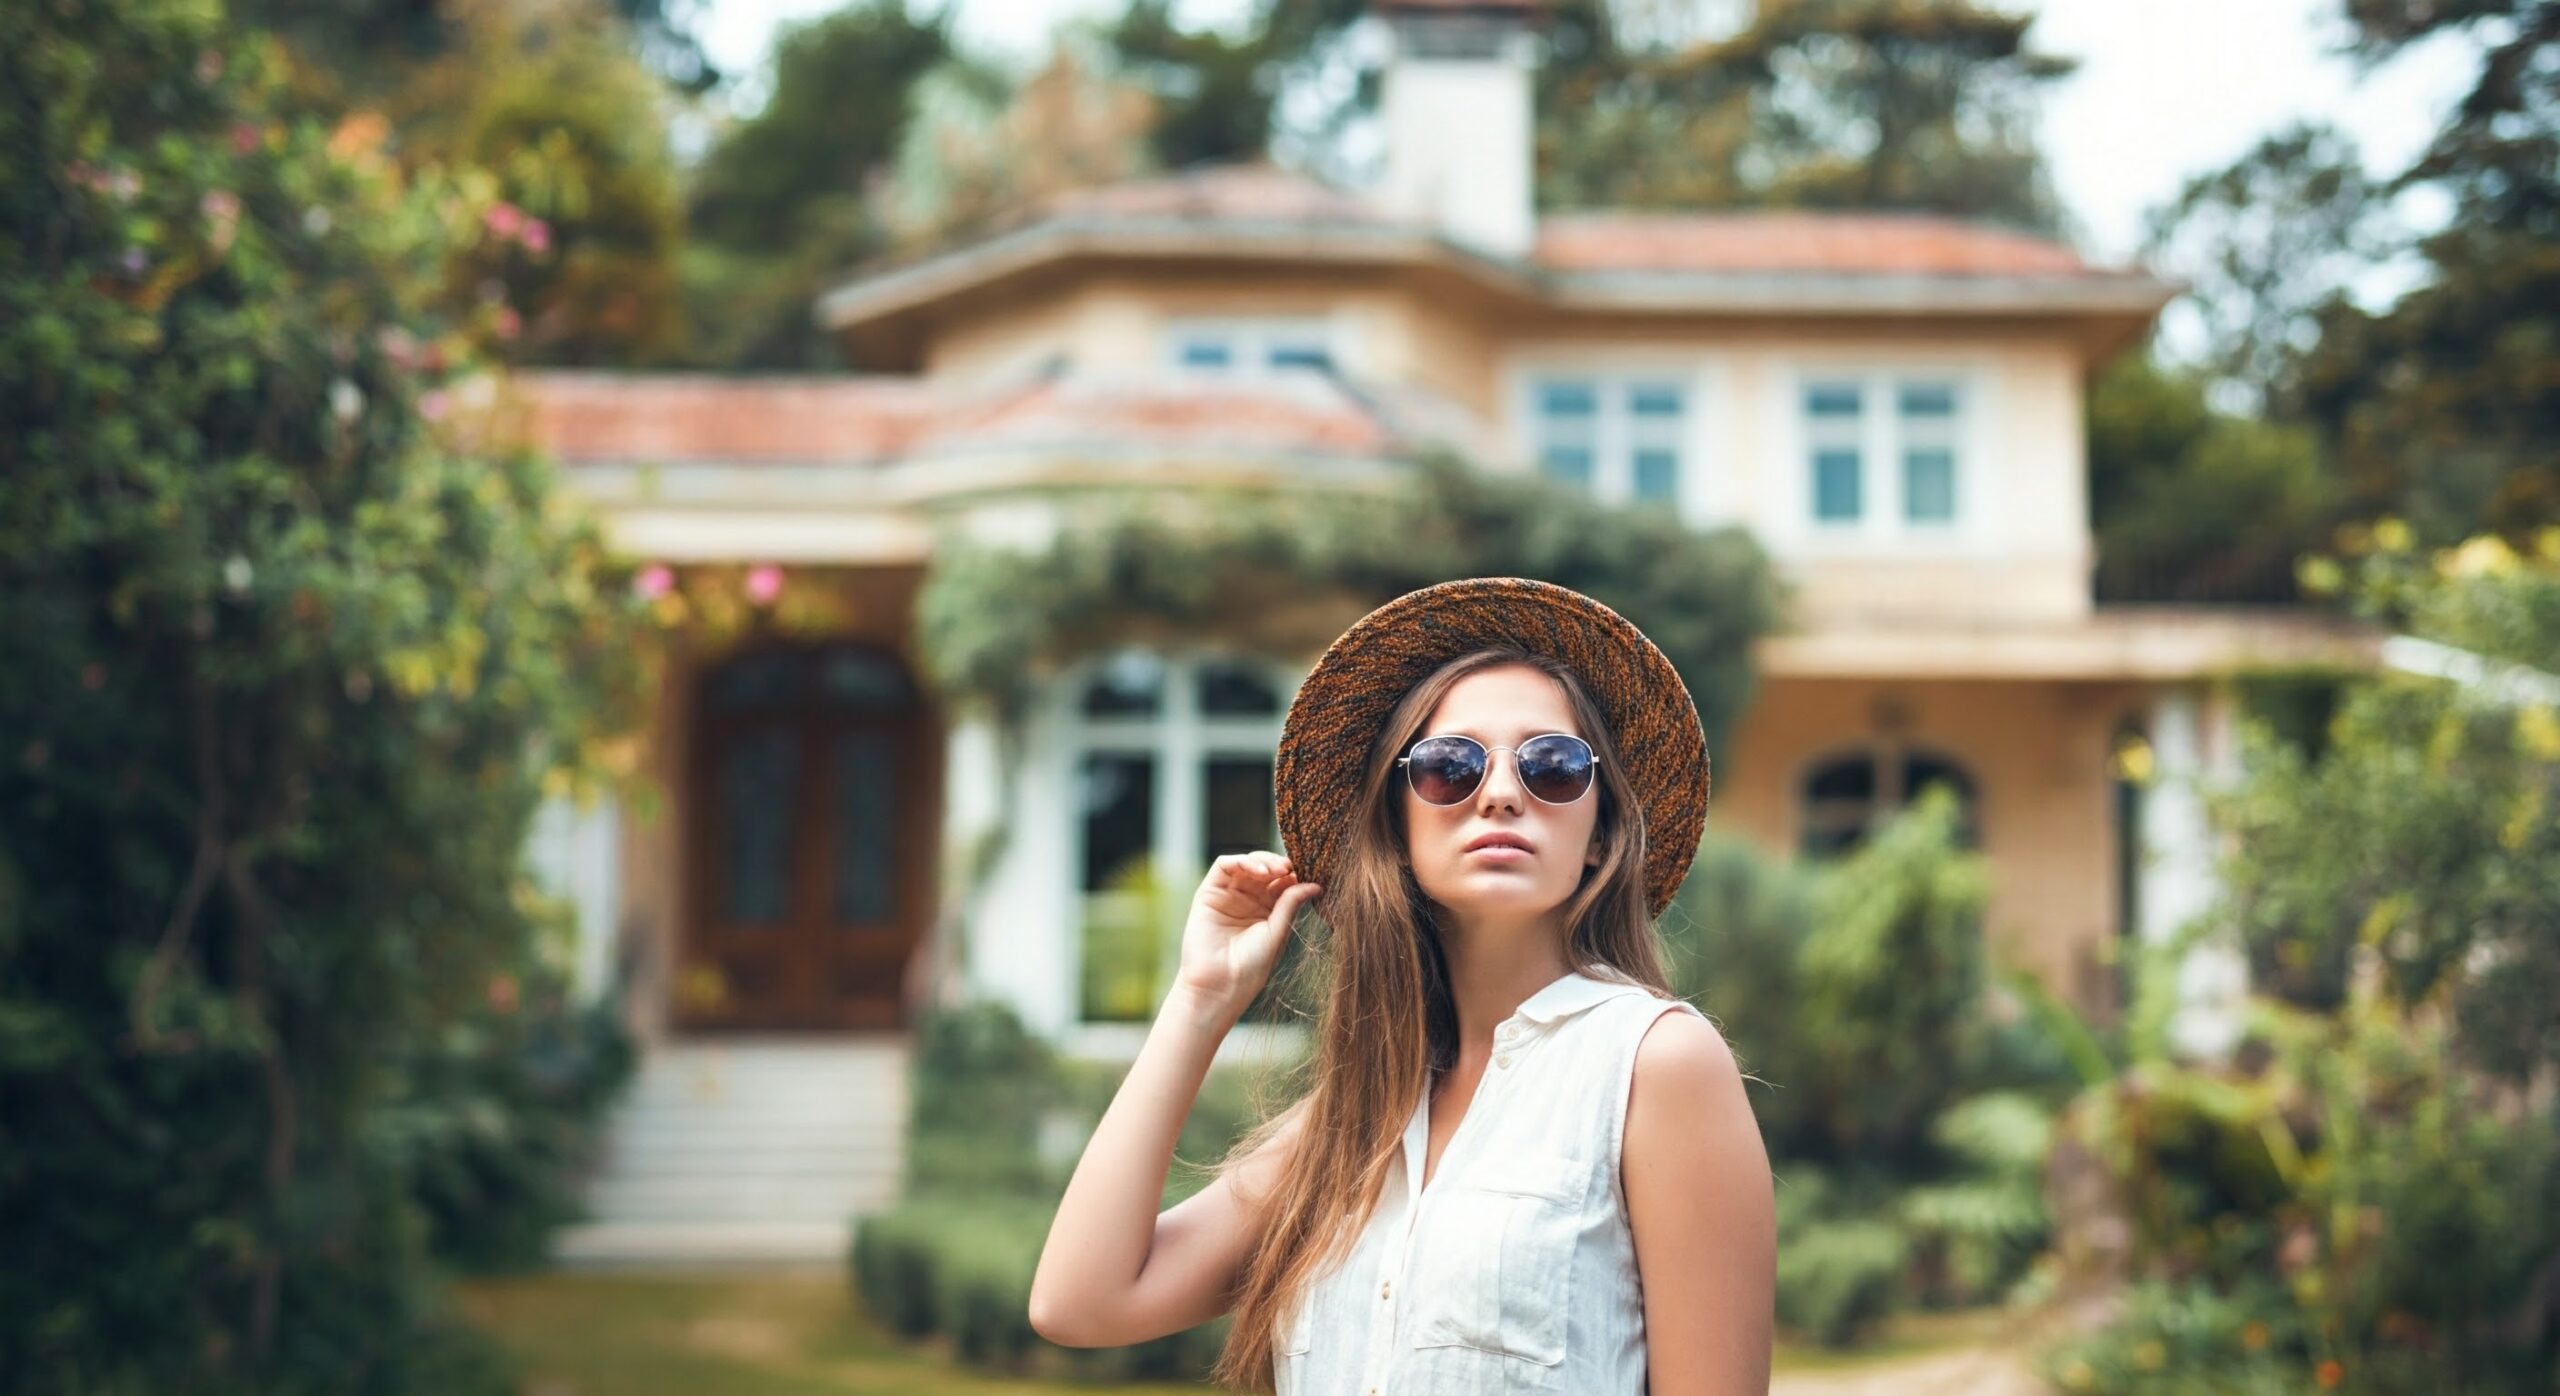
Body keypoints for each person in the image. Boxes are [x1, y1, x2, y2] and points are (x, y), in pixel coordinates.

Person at [1028, 577, 1776, 1394]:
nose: (1499, 793)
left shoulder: (1653, 1066)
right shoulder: (1357, 1117)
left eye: (1551, 766)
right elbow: (1081, 1302)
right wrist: (1200, 1002)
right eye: (1450, 765)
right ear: (1398, 825)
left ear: (1599, 835)